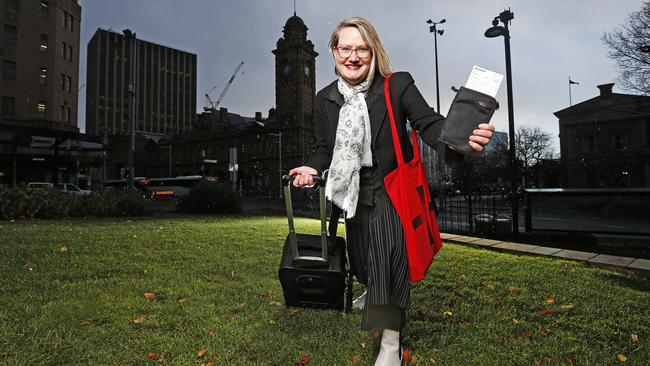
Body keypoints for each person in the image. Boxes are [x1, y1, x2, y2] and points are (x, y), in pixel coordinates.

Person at [288, 17, 494, 366]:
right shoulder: (325, 99)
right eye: (345, 48)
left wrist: (461, 140)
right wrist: (311, 166)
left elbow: (429, 124)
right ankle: (374, 291)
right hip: (352, 194)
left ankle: (390, 344)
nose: (353, 56)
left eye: (361, 49)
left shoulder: (396, 86)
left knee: (386, 262)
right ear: (334, 52)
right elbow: (325, 148)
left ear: (373, 51)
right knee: (367, 266)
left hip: (389, 189)